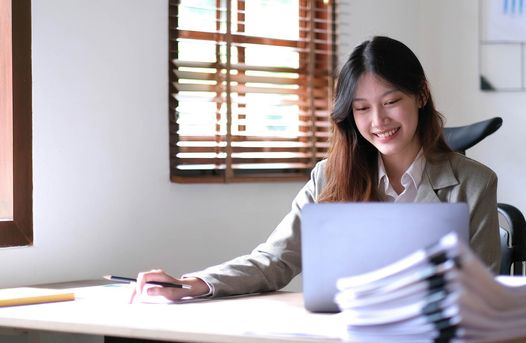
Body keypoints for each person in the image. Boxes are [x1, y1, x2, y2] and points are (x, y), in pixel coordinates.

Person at [131, 36, 501, 303]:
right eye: (361, 108)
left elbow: (484, 289)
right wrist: (194, 283)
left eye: (391, 102)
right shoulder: (328, 176)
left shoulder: (474, 182)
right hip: (339, 336)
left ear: (420, 96)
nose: (378, 120)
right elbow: (276, 259)